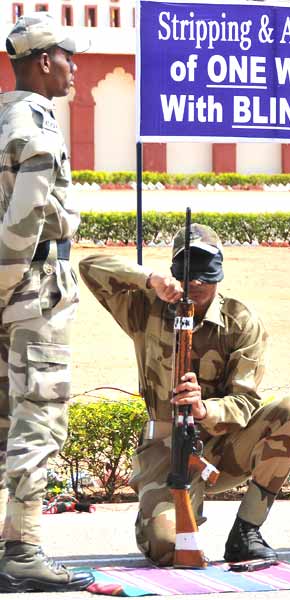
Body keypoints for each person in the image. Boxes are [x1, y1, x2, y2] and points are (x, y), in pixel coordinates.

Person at [78, 224, 290, 566]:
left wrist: (204, 409)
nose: (196, 284)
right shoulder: (146, 308)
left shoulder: (240, 321)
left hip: (223, 446)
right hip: (166, 448)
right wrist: (149, 279)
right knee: (167, 548)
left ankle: (246, 532)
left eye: (205, 274)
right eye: (188, 274)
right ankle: (158, 516)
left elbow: (245, 402)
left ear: (219, 274)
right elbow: (90, 268)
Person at [0, 12, 92, 592]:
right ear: (42, 61)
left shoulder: (3, 114)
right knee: (39, 416)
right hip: (31, 289)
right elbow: (29, 212)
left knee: (8, 418)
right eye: (66, 57)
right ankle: (24, 548)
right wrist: (7, 278)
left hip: (14, 289)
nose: (73, 67)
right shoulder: (34, 120)